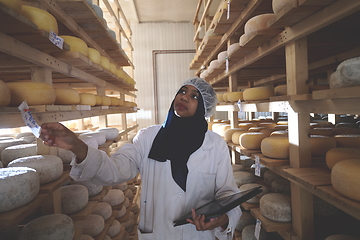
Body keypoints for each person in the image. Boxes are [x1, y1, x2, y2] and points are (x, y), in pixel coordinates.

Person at [40, 77, 241, 240]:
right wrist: (77, 146)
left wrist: (223, 220)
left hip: (198, 236)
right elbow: (115, 170)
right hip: (158, 234)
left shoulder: (215, 145)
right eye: (182, 91)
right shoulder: (149, 137)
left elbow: (228, 195)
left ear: (204, 108)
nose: (185, 97)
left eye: (194, 96)